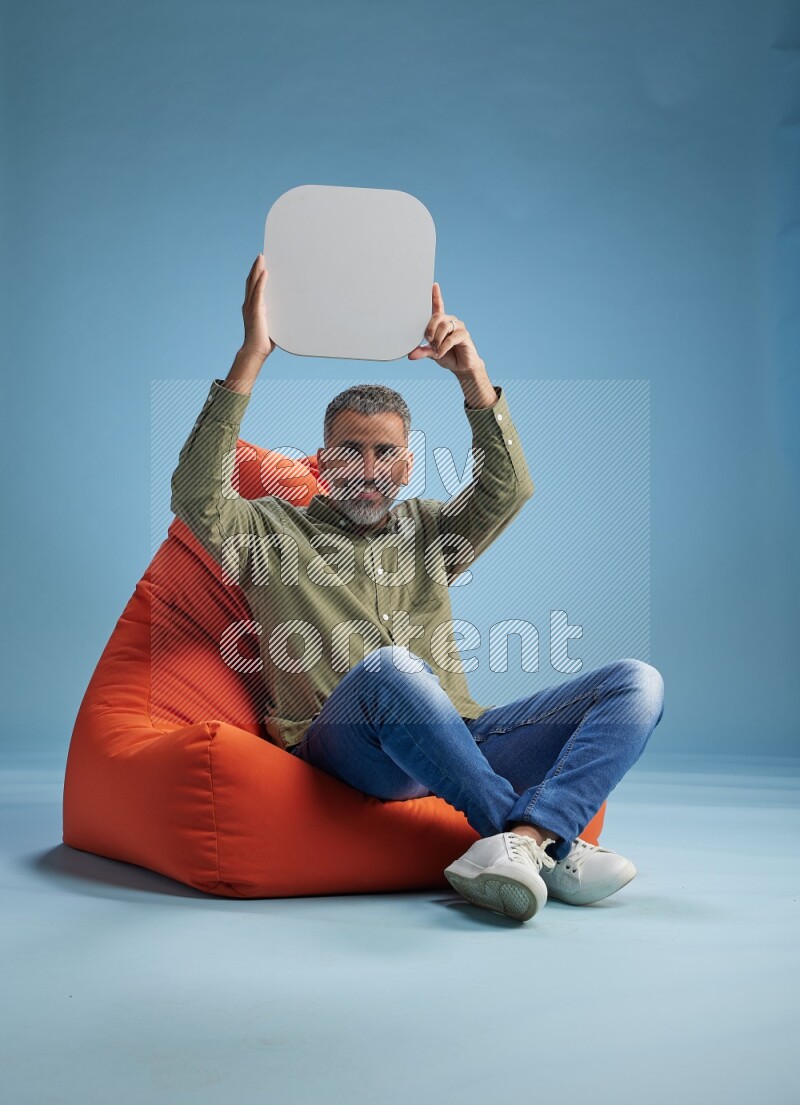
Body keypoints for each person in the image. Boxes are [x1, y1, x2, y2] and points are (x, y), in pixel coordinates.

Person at [170, 253, 665, 924]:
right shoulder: (268, 532)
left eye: (384, 454)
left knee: (637, 683)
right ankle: (543, 842)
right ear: (324, 457)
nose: (366, 470)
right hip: (345, 745)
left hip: (458, 739)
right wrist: (252, 354)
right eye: (349, 450)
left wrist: (471, 374)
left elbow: (507, 488)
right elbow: (196, 492)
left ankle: (527, 839)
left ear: (406, 463)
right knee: (391, 670)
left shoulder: (431, 529)